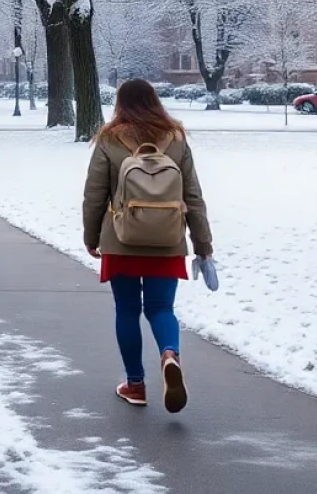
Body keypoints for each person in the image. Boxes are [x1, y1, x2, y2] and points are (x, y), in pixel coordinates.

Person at [81, 78, 214, 414]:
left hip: (121, 238)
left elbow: (94, 194)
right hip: (167, 240)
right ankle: (169, 354)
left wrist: (92, 237)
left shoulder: (110, 138)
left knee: (127, 311)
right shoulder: (176, 138)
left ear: (121, 104)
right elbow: (193, 197)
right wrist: (203, 244)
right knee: (160, 309)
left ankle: (136, 385)